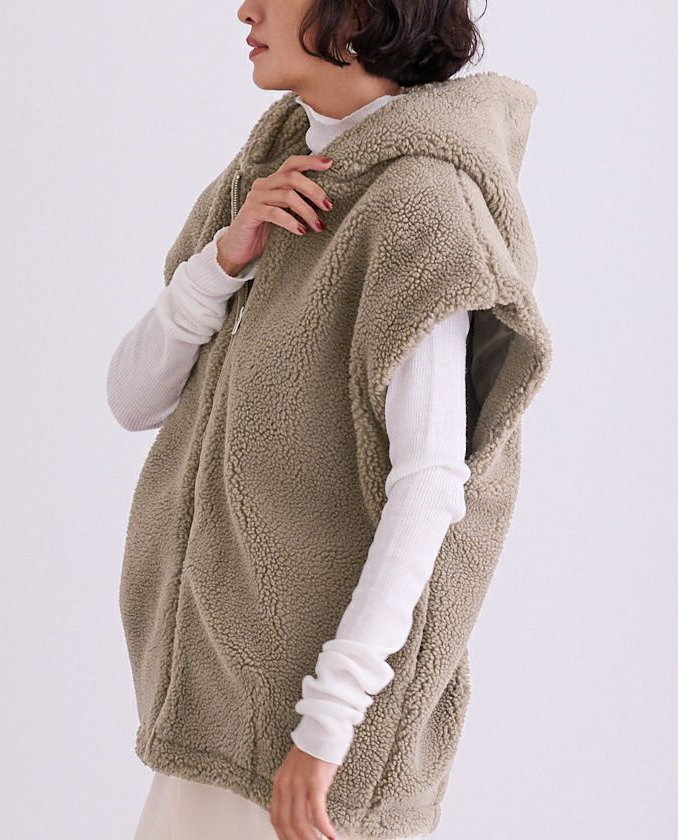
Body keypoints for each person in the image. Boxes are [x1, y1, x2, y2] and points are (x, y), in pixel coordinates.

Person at [108, 2, 553, 839]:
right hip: (212, 712)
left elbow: (430, 488)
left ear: (358, 13)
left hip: (303, 752)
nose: (246, 8)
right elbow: (132, 399)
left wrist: (326, 727)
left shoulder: (422, 207)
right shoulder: (270, 176)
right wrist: (223, 260)